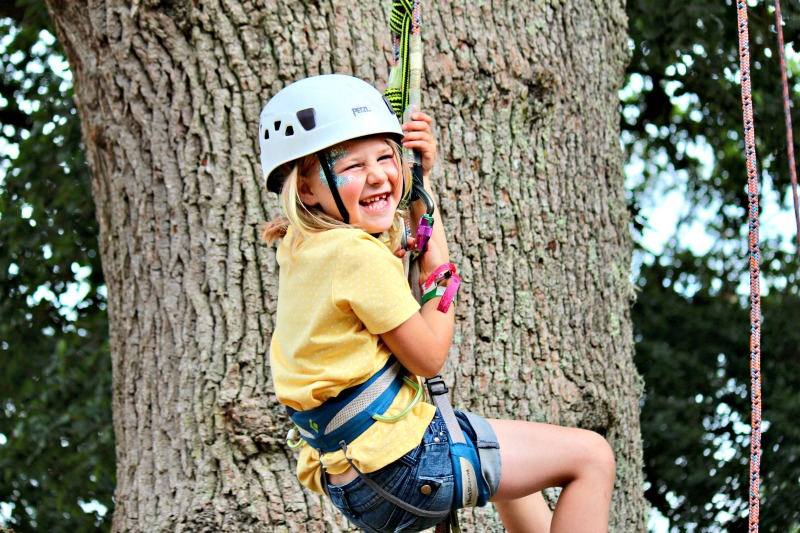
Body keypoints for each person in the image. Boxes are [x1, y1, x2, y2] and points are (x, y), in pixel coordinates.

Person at [259, 74, 616, 533]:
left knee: (517, 471)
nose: (376, 175)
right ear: (306, 190)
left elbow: (399, 234)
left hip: (354, 479)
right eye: (351, 165)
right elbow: (429, 357)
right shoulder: (354, 255)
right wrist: (440, 280)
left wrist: (416, 179)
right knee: (591, 456)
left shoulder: (304, 247)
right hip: (402, 465)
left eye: (385, 158)